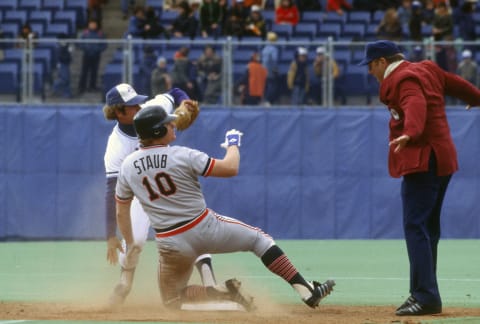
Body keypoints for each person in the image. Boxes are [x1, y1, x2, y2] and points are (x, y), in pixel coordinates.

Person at [114, 104, 336, 309]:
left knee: (172, 300)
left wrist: (131, 241)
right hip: (205, 227)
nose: (173, 125)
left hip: (171, 243)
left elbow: (121, 210)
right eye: (167, 124)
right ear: (156, 132)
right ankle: (305, 290)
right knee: (260, 241)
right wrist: (233, 145)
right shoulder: (182, 154)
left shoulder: (127, 167)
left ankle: (221, 291)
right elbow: (230, 168)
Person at [358, 40, 480, 316]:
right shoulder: (426, 68)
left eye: (371, 66)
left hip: (423, 159)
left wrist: (411, 132)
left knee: (415, 227)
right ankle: (424, 294)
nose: (369, 72)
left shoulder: (402, 77)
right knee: (427, 229)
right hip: (443, 158)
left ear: (381, 61)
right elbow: (455, 82)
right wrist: (475, 97)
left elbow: (415, 102)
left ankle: (425, 296)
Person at [103, 83, 217, 307]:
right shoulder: (116, 146)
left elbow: (174, 92)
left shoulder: (152, 108)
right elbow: (111, 192)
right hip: (138, 196)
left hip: (168, 185)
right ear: (119, 111)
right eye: (132, 105)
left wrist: (185, 102)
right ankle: (125, 283)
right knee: (133, 242)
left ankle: (210, 281)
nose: (139, 106)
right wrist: (110, 235)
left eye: (138, 101)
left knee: (192, 228)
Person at [78, 19, 106, 94]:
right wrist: (86, 49)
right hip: (86, 55)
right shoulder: (85, 33)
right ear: (89, 24)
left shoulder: (100, 33)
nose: (93, 25)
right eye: (91, 24)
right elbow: (80, 43)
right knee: (84, 71)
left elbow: (104, 45)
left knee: (94, 72)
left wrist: (97, 50)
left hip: (96, 55)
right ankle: (82, 87)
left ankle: (92, 86)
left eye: (94, 24)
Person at [261, 32, 280, 106]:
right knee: (272, 85)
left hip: (263, 69)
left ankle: (265, 100)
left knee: (266, 85)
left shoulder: (265, 48)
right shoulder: (274, 49)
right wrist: (275, 69)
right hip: (270, 69)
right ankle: (268, 100)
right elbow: (274, 59)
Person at [52, 33, 73, 98]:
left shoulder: (66, 46)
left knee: (67, 79)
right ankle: (54, 86)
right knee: (64, 79)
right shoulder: (58, 46)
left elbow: (69, 57)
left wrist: (69, 51)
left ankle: (67, 94)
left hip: (66, 63)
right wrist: (68, 51)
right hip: (62, 64)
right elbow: (60, 56)